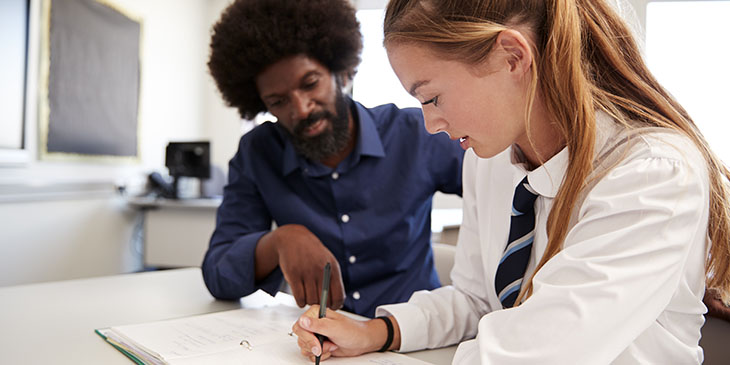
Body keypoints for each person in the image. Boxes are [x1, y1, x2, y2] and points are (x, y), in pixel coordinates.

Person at [292, 0, 730, 363]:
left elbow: (539, 350)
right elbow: (479, 301)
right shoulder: (490, 158)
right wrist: (378, 331)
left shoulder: (652, 173)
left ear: (512, 57)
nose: (429, 124)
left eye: (432, 97)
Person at [202, 0, 464, 319]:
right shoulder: (258, 154)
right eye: (278, 101)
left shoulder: (416, 133)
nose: (300, 109)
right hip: (318, 343)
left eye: (310, 83)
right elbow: (218, 274)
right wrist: (279, 242)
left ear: (341, 71)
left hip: (415, 337)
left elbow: (507, 190)